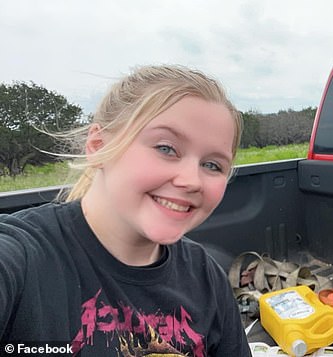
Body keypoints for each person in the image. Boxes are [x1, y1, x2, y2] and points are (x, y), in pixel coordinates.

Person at [0, 65, 252, 356]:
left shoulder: (204, 274)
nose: (191, 180)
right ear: (97, 146)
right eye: (166, 148)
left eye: (212, 165)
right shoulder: (22, 257)